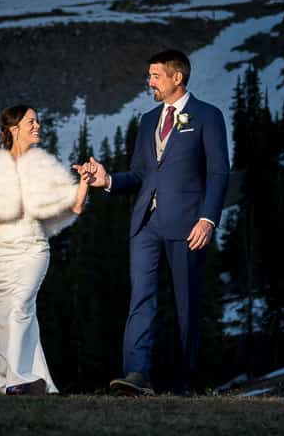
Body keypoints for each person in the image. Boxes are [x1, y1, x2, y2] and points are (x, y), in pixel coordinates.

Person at [77, 48, 229, 396]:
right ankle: (137, 375)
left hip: (189, 224)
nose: (150, 82)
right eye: (149, 76)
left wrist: (207, 219)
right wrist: (108, 181)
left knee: (186, 304)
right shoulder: (148, 120)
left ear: (178, 77)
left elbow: (219, 171)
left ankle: (186, 383)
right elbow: (140, 175)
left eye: (155, 76)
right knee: (141, 298)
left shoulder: (208, 116)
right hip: (145, 225)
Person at [0, 105, 89, 395]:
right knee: (6, 318)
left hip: (32, 250)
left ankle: (18, 380)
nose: (38, 126)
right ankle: (23, 383)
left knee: (18, 309)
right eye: (31, 121)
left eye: (38, 121)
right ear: (13, 129)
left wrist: (84, 183)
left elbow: (75, 206)